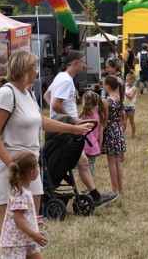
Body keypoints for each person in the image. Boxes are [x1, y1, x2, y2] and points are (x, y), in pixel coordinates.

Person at [0, 51, 95, 259]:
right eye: (34, 67)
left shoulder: (28, 93)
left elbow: (40, 121)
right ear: (26, 70)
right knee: (8, 227)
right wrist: (11, 165)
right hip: (10, 167)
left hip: (30, 168)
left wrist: (74, 128)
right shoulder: (7, 94)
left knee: (30, 225)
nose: (37, 71)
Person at [43, 51, 118, 207]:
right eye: (83, 62)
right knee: (79, 161)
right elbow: (56, 104)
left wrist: (54, 117)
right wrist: (72, 120)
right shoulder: (66, 81)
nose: (85, 65)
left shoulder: (60, 77)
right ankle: (95, 197)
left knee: (82, 161)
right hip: (67, 128)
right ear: (75, 63)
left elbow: (46, 96)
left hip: (61, 126)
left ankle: (95, 196)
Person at [0, 152, 48, 259]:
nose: (38, 169)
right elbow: (18, 219)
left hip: (26, 240)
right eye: (37, 166)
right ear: (31, 173)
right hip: (15, 244)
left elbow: (22, 215)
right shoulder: (20, 194)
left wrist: (33, 220)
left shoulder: (24, 192)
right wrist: (34, 235)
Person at [101, 75, 127, 195]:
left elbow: (105, 121)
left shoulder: (106, 101)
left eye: (104, 84)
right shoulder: (119, 98)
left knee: (111, 162)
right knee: (117, 161)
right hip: (118, 129)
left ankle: (115, 189)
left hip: (110, 130)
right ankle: (121, 188)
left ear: (108, 86)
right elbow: (122, 117)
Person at [80, 90, 102, 178]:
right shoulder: (98, 115)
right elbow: (100, 132)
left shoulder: (83, 117)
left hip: (84, 146)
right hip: (94, 146)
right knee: (91, 167)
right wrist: (99, 147)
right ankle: (91, 187)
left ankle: (86, 187)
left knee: (82, 168)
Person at [123, 72, 138, 139]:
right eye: (126, 80)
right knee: (123, 122)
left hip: (131, 107)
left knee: (131, 122)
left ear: (133, 80)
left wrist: (124, 92)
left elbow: (130, 96)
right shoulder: (127, 87)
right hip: (125, 106)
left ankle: (133, 135)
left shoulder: (134, 88)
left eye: (128, 80)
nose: (127, 81)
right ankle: (121, 134)